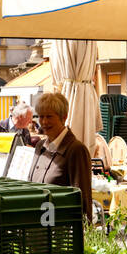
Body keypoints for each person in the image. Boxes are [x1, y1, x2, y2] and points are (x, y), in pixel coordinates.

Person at [25, 92, 93, 220]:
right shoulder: (40, 146)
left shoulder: (76, 150)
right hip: (38, 225)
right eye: (41, 116)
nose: (44, 122)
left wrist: (84, 232)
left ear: (64, 117)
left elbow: (83, 198)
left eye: (49, 116)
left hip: (61, 229)